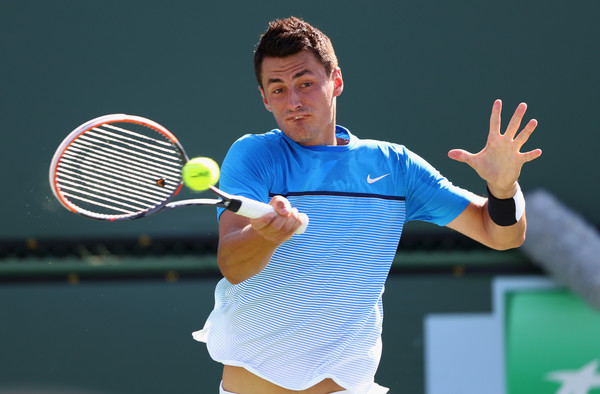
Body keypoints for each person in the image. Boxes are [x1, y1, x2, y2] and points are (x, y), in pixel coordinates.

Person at [193, 16, 542, 394]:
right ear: (264, 98)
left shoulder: (394, 166)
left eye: (305, 84)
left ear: (336, 82)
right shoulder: (254, 155)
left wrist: (503, 189)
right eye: (277, 89)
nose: (293, 102)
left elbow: (501, 235)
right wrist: (267, 236)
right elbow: (233, 265)